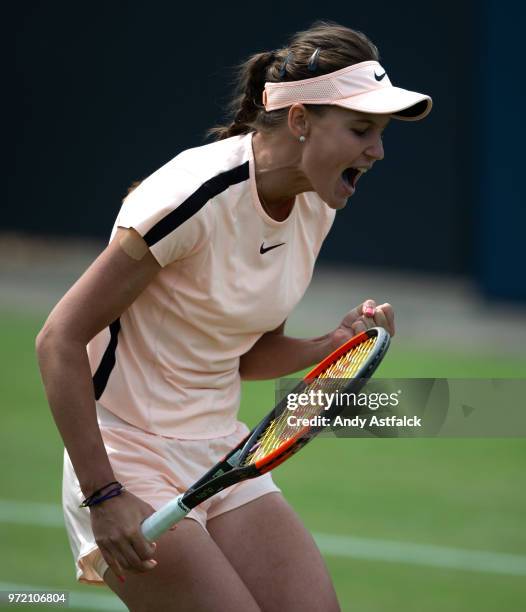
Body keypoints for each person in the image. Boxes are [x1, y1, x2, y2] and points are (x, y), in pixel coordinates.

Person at [36, 21, 431, 612]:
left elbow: (245, 354)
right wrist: (103, 492)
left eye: (378, 133)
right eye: (361, 130)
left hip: (221, 452)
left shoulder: (316, 204)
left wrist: (333, 342)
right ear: (299, 121)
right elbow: (59, 339)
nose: (377, 151)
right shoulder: (190, 196)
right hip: (124, 457)